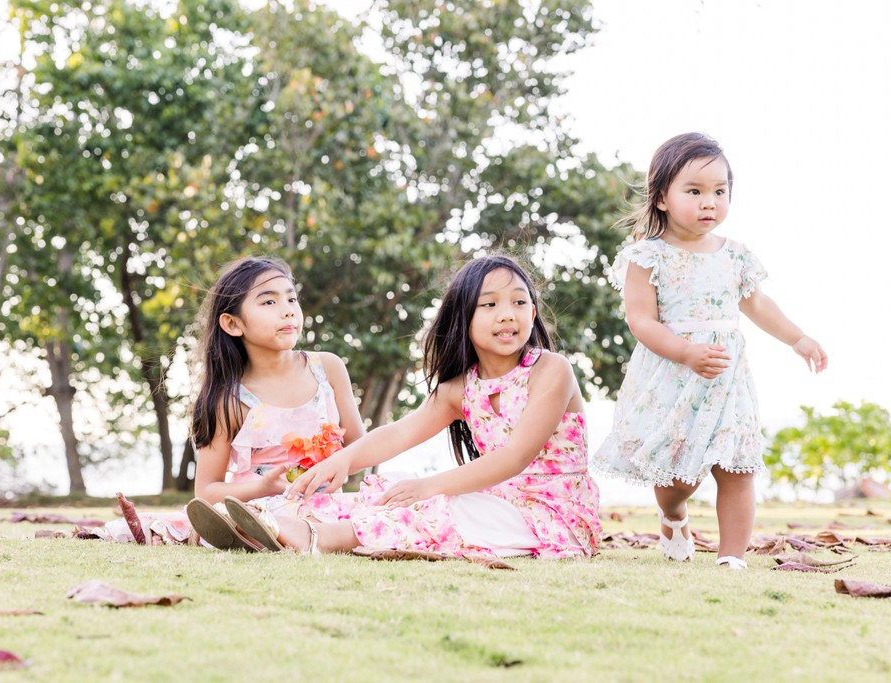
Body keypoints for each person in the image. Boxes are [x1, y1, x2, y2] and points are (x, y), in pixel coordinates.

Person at [224, 255, 602, 560]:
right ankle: (266, 523)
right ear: (463, 319)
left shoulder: (552, 371)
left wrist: (429, 487)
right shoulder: (459, 389)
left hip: (552, 515)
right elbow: (398, 433)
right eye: (490, 305)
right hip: (496, 503)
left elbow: (514, 457)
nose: (507, 314)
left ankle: (315, 537)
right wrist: (340, 461)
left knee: (432, 507)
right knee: (384, 493)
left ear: (533, 315)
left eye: (520, 302)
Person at [590, 132, 828, 569]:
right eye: (695, 191)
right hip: (672, 375)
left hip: (725, 377)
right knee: (677, 478)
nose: (709, 202)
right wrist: (684, 352)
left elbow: (756, 304)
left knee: (737, 466)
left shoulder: (735, 256)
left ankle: (731, 557)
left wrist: (798, 338)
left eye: (720, 192)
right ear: (662, 197)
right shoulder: (648, 256)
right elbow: (641, 320)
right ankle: (673, 514)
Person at [183, 256, 365, 551]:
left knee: (388, 505)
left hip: (326, 506)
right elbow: (205, 490)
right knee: (256, 516)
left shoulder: (328, 368)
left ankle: (274, 534)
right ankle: (255, 529)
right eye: (269, 302)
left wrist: (340, 466)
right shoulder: (230, 399)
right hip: (259, 504)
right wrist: (260, 488)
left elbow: (361, 446)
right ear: (233, 323)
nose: (288, 312)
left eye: (292, 299)